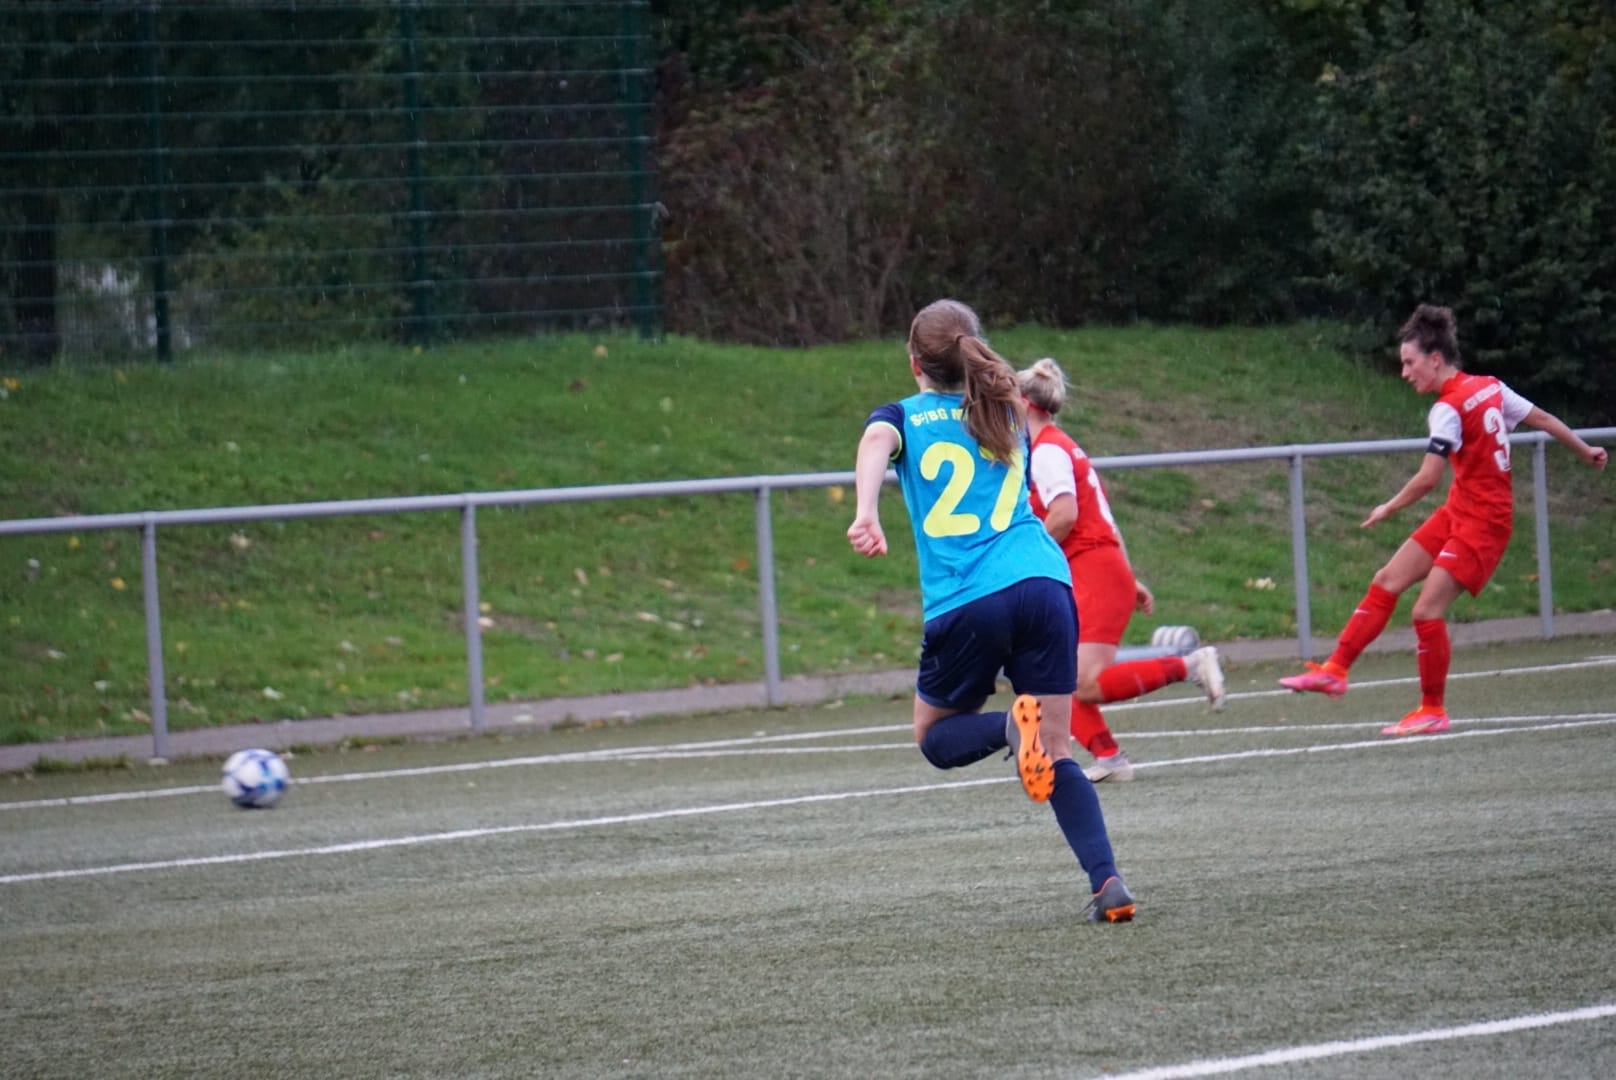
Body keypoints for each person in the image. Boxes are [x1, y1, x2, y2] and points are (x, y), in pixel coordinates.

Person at [846, 298, 1135, 922]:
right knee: (1056, 747)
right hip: (1045, 584)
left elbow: (874, 440)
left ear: (914, 362)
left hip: (969, 598)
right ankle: (1107, 882)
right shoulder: (1007, 410)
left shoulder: (904, 416)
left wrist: (867, 510)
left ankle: (1009, 728)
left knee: (935, 737)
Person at [1280, 303, 1608, 734]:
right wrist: (1584, 449)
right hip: (1460, 511)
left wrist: (1388, 507)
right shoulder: (1489, 387)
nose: (1404, 372)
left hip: (1484, 523)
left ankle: (1433, 710)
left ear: (1435, 359)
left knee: (1425, 611)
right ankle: (1335, 670)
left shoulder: (1447, 408)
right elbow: (1542, 418)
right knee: (1387, 580)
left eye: (1409, 362)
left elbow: (1428, 478)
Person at [1017, 357, 1227, 782]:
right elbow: (1103, 521)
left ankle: (1189, 665)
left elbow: (1065, 515)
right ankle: (1109, 759)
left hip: (1091, 569)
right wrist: (1127, 577)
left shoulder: (1047, 451)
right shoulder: (1054, 446)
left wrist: (1025, 559)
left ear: (1023, 404)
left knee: (1081, 682)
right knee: (1046, 673)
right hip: (1095, 568)